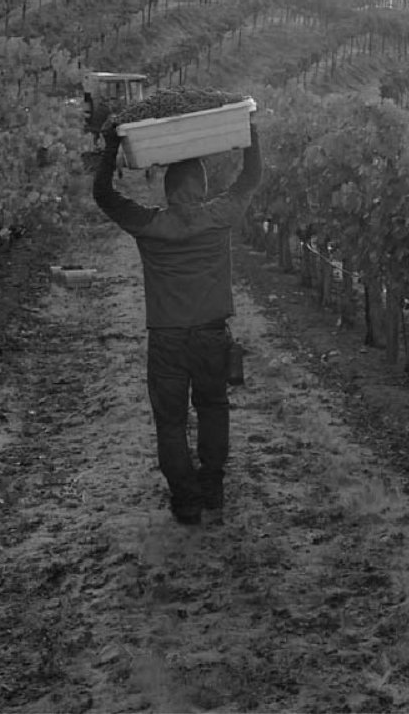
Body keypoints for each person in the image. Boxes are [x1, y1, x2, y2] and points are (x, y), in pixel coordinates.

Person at [92, 124, 263, 525]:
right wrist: (251, 131)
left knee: (170, 421)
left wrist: (111, 147)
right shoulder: (219, 216)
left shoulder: (151, 224)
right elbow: (250, 177)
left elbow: (104, 196)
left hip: (166, 341)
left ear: (168, 189)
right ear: (202, 188)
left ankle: (185, 500)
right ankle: (213, 488)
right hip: (210, 336)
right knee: (213, 407)